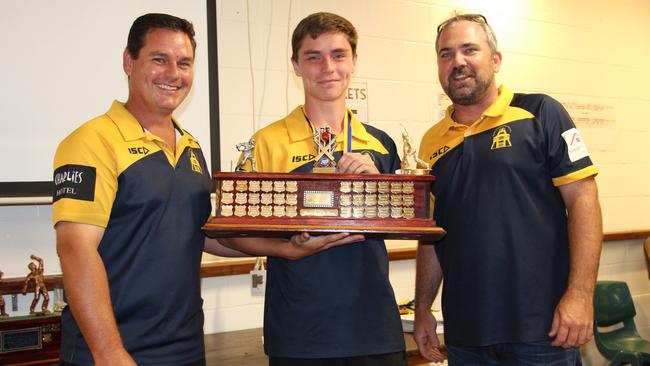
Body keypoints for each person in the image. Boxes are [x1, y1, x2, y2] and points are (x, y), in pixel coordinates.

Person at [53, 13, 355, 366]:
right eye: (159, 59)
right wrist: (109, 352)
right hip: (110, 353)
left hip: (185, 349)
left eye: (184, 63)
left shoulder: (190, 147)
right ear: (129, 61)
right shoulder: (91, 141)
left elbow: (204, 234)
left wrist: (285, 248)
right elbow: (75, 249)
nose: (173, 73)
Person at [215, 12, 407, 366]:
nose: (327, 67)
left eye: (338, 54)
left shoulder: (380, 144)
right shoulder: (267, 143)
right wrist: (286, 249)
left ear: (353, 62)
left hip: (374, 330)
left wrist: (377, 183)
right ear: (296, 66)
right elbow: (228, 233)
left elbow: (408, 220)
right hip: (299, 332)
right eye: (313, 56)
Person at [413, 12, 603, 365]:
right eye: (446, 54)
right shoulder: (430, 143)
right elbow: (431, 234)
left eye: (470, 50)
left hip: (543, 330)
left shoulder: (540, 113)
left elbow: (583, 199)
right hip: (466, 335)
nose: (458, 62)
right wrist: (423, 307)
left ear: (495, 59)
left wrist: (579, 294)